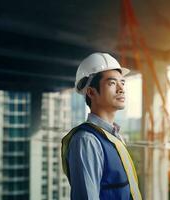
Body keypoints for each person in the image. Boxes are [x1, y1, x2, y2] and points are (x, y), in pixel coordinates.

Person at [61, 52, 142, 200]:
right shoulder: (86, 141)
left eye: (122, 83)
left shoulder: (115, 136)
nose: (121, 89)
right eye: (112, 83)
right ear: (91, 92)